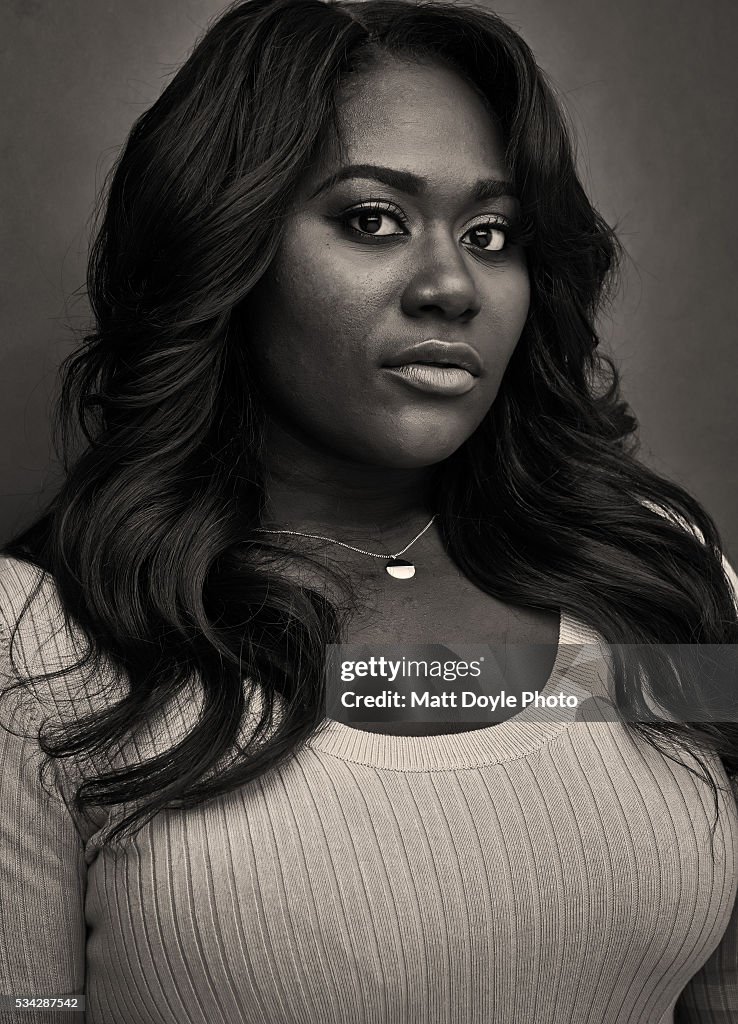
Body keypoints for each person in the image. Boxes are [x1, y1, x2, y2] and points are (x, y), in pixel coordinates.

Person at [1, 0, 736, 1021]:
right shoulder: (40, 644)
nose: (452, 285)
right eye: (372, 219)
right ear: (229, 247)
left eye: (493, 233)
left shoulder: (660, 575)